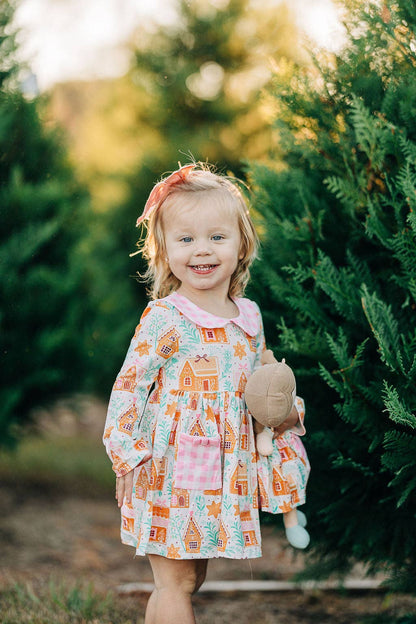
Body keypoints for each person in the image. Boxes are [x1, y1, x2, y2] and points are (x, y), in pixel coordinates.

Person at [103, 163, 310, 624]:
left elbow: (262, 388)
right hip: (168, 468)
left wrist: (284, 416)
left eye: (217, 237)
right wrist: (127, 453)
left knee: (189, 581)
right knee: (174, 583)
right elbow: (129, 387)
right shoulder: (166, 318)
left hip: (221, 475)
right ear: (164, 250)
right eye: (186, 239)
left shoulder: (249, 316)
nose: (202, 250)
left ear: (242, 246)